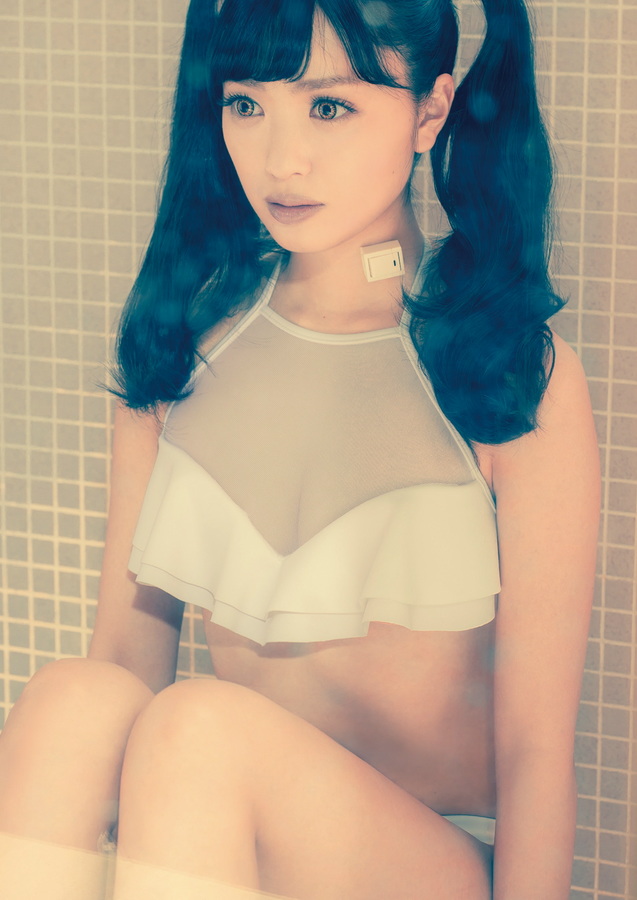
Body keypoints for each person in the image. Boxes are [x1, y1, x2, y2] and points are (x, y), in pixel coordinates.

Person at [0, 0, 601, 898]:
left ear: (430, 112)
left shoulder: (508, 369)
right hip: (221, 840)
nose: (281, 159)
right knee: (73, 700)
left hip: (429, 863)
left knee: (201, 728)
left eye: (328, 106)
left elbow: (534, 750)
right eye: (246, 104)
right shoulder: (184, 344)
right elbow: (125, 662)